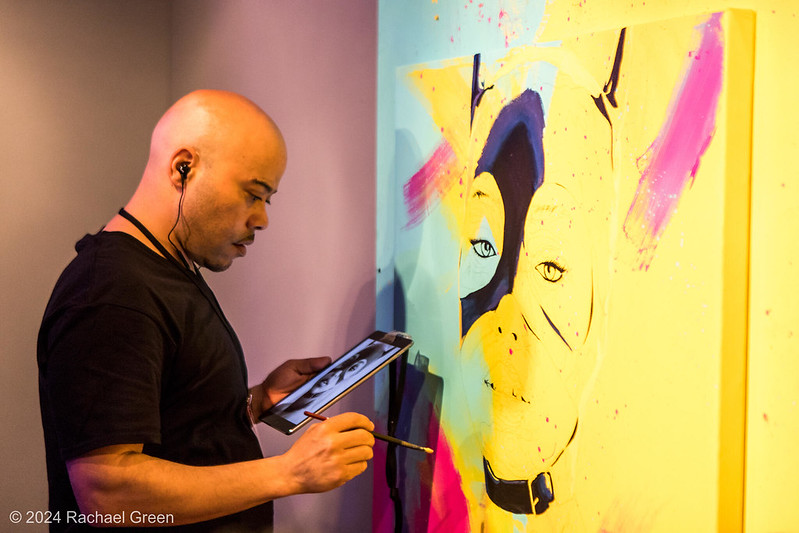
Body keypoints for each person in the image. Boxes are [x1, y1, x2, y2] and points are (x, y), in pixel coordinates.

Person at [37, 90, 375, 532]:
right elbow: (108, 494)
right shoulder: (113, 289)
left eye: (266, 200)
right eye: (253, 194)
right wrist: (289, 473)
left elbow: (173, 423)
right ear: (184, 167)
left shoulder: (164, 270)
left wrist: (254, 402)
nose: (262, 220)